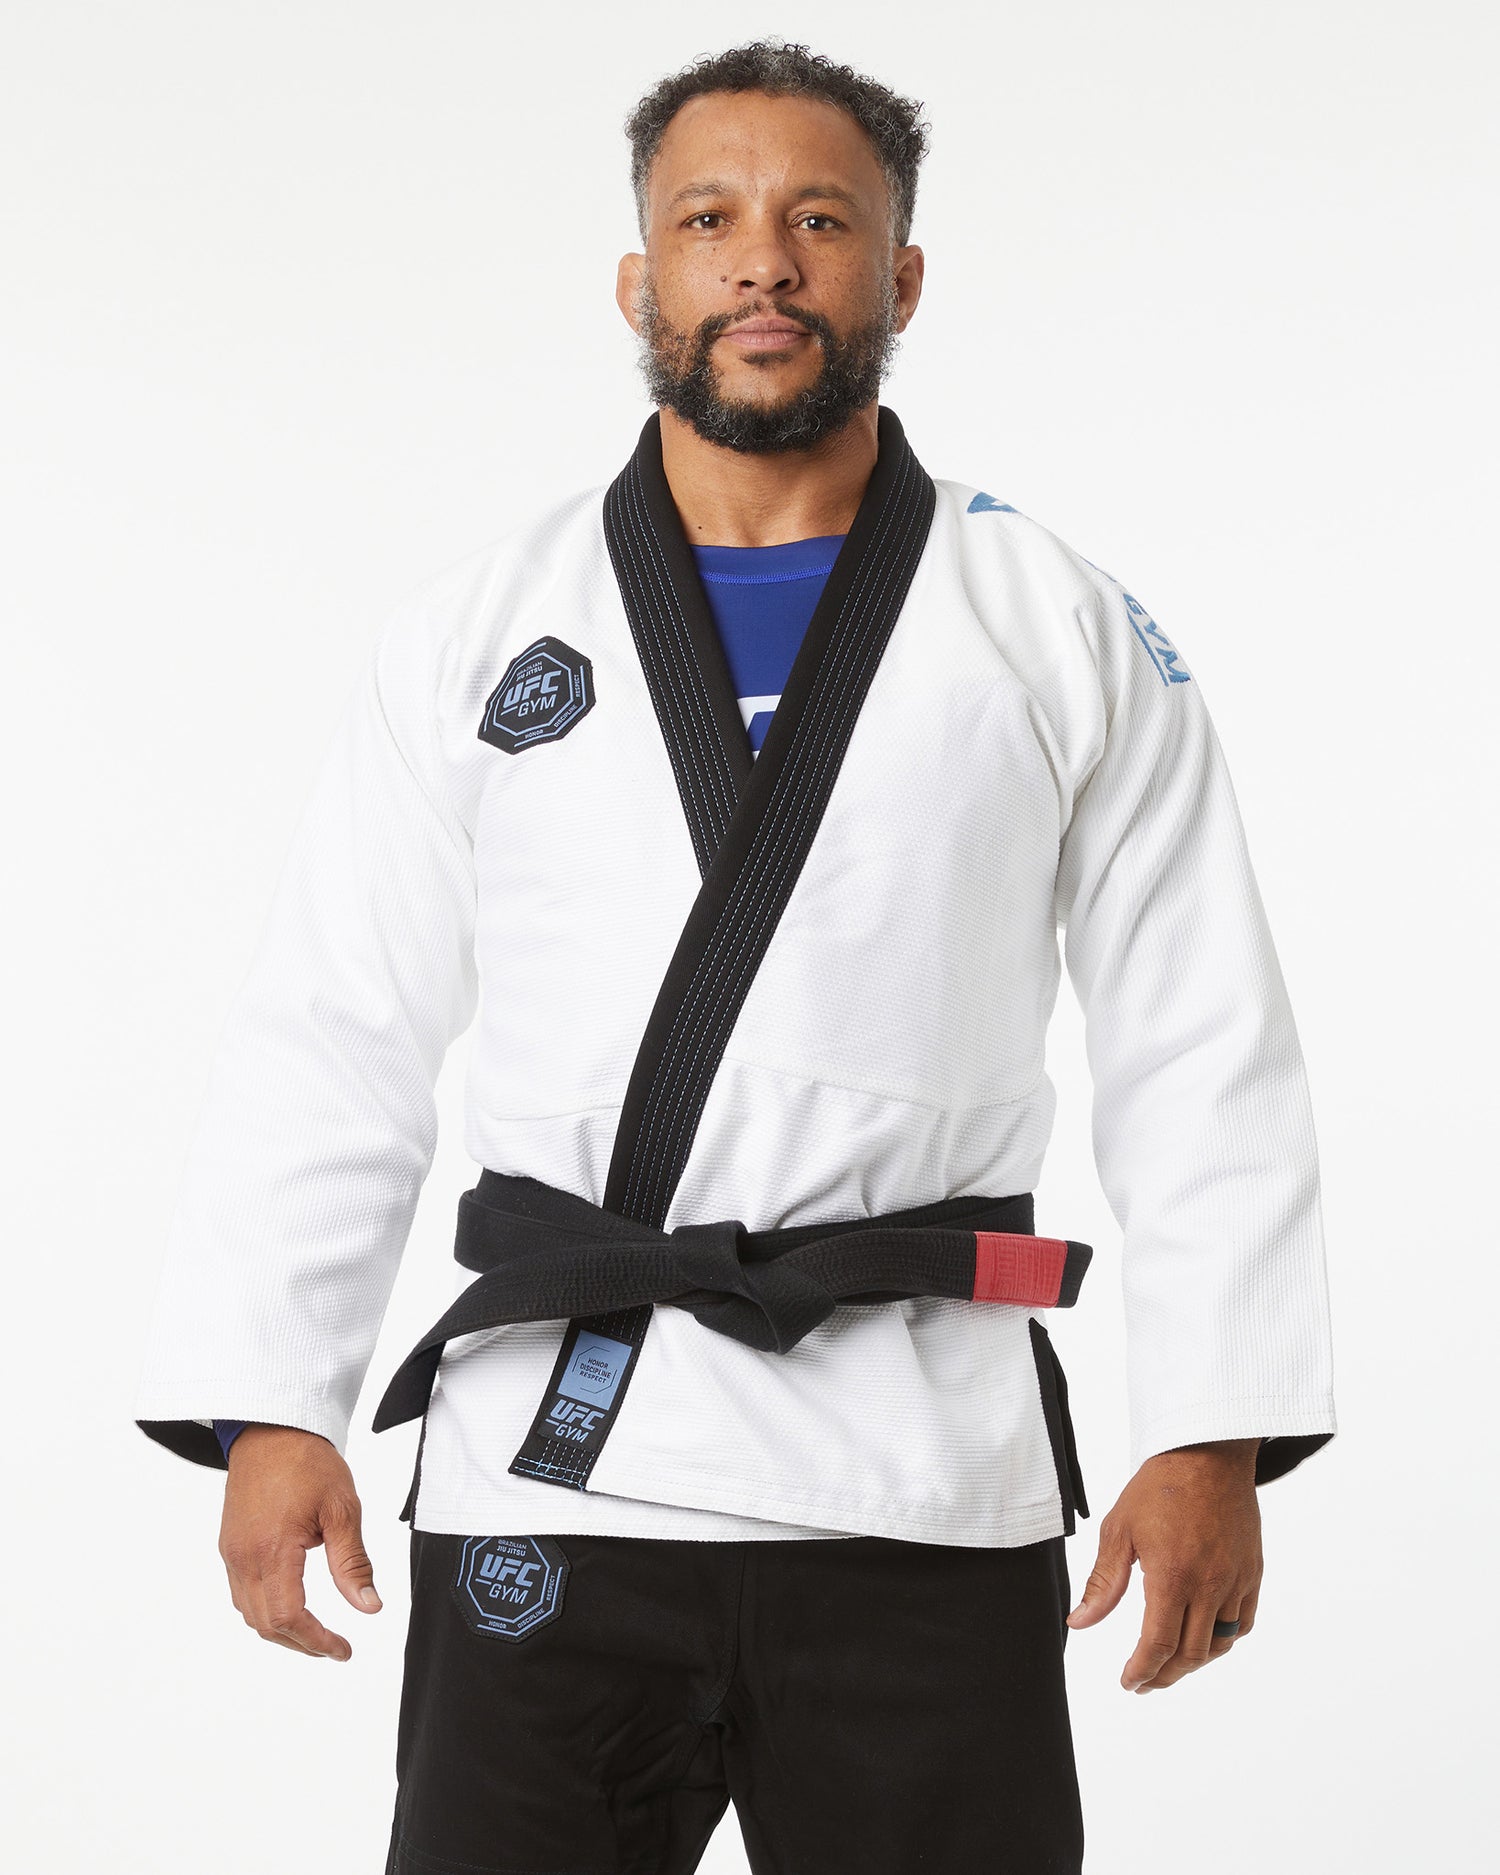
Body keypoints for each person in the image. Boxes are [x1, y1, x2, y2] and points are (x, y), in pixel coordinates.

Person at [132, 37, 1337, 1875]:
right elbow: (338, 1025)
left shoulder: (1047, 622)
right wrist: (268, 1401)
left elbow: (1200, 1036)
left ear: (902, 278)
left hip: (919, 1475)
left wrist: (1216, 1428)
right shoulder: (480, 630)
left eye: (819, 220)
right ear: (642, 280)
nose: (761, 262)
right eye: (710, 220)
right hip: (560, 1451)